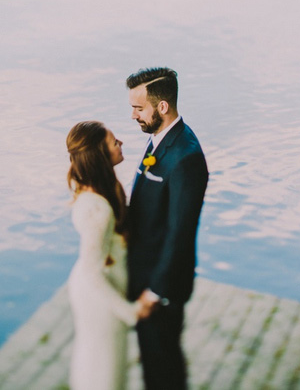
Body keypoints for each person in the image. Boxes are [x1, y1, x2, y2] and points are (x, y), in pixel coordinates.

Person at [125, 67, 209, 390]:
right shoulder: (158, 139)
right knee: (152, 365)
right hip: (144, 276)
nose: (133, 115)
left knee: (165, 370)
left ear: (162, 107)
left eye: (138, 108)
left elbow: (180, 233)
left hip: (162, 290)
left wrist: (155, 291)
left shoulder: (186, 158)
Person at [65, 121, 151, 390]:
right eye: (114, 142)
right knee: (105, 368)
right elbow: (92, 272)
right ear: (102, 156)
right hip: (99, 294)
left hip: (101, 283)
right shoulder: (98, 210)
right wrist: (130, 312)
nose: (121, 143)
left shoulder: (93, 189)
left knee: (96, 359)